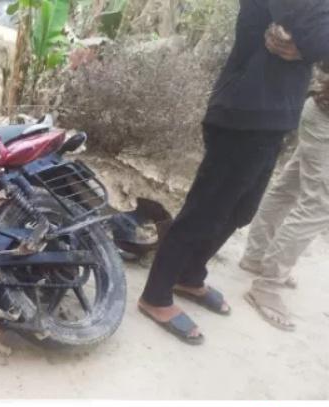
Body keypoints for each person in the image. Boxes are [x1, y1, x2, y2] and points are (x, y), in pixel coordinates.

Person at [138, 0, 329, 345]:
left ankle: (189, 274)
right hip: (245, 111)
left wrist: (308, 50)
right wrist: (311, 48)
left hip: (274, 115)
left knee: (241, 210)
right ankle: (156, 293)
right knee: (206, 209)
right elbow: (317, 36)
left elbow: (316, 43)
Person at [239, 58, 329, 331]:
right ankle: (267, 286)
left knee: (287, 188)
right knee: (319, 205)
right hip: (324, 119)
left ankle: (257, 257)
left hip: (320, 111)